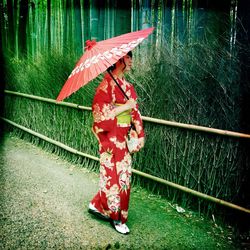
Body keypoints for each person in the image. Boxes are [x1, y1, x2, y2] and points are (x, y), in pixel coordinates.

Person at [88, 51, 145, 234]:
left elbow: (135, 113)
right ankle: (117, 218)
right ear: (119, 60)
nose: (131, 61)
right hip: (110, 140)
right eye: (128, 57)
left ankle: (97, 204)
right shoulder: (104, 88)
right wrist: (123, 108)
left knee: (124, 178)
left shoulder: (128, 87)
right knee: (113, 179)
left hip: (124, 139)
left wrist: (140, 133)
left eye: (130, 57)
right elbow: (99, 117)